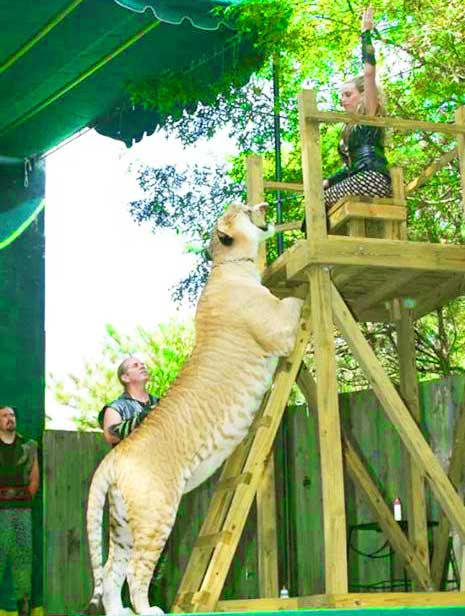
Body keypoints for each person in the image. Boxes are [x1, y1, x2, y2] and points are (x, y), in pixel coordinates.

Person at [303, 6, 392, 223]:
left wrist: (366, 33)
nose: (343, 99)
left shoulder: (370, 114)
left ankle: (321, 248)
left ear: (363, 96)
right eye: (340, 96)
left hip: (373, 178)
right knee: (315, 202)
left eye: (348, 94)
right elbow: (352, 168)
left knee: (314, 207)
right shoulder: (349, 128)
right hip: (361, 177)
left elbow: (369, 73)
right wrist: (331, 180)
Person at [0, 406, 39, 616]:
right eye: (5, 416)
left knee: (23, 567)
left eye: (12, 415)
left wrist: (23, 500)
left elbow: (34, 479)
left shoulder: (28, 446)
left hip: (22, 513)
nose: (9, 419)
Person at [98, 356, 159, 446]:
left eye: (142, 364)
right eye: (135, 365)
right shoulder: (115, 407)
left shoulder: (160, 402)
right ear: (125, 378)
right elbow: (111, 435)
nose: (142, 366)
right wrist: (140, 420)